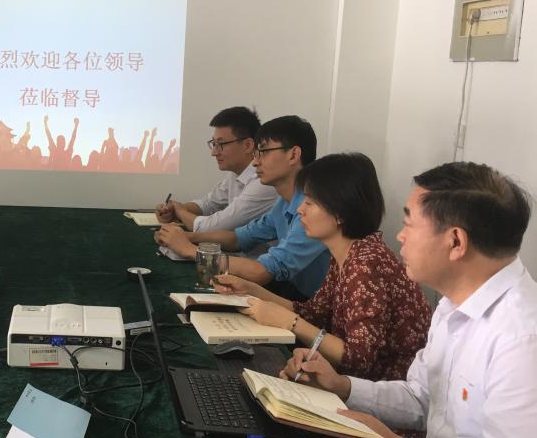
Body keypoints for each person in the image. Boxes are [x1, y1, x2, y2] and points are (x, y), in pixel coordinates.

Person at [283, 162, 537, 438]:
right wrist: (342, 386)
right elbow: (421, 397)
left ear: (455, 242)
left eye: (408, 222)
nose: (398, 236)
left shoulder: (521, 338)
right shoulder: (454, 304)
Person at [215, 153, 430, 381]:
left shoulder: (366, 264)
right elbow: (313, 313)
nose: (300, 210)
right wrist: (252, 290)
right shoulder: (347, 254)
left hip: (381, 390)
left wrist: (290, 323)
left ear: (339, 212)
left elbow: (359, 358)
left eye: (309, 202)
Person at [156, 115, 328, 299]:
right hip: (294, 292)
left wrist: (190, 250)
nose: (255, 162)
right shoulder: (284, 202)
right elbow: (239, 238)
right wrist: (185, 237)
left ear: (293, 155)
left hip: (313, 304)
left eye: (264, 152)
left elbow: (262, 272)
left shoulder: (316, 209)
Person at [156, 106, 277, 232]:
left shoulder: (264, 182)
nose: (213, 153)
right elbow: (209, 204)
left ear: (247, 145)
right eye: (214, 144)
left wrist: (180, 211)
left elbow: (211, 227)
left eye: (221, 144)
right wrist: (173, 210)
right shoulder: (235, 174)